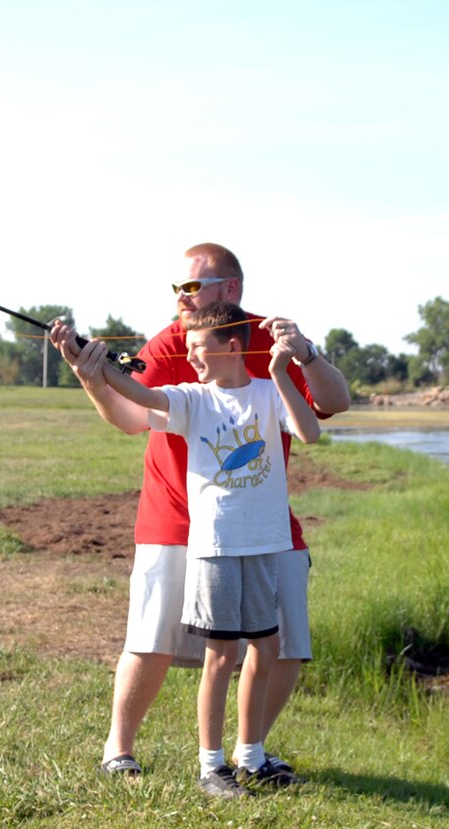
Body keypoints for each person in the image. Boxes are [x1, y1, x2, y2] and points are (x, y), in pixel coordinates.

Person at [47, 243, 350, 787]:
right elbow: (133, 409)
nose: (180, 299)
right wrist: (91, 375)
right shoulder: (174, 344)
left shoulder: (266, 345)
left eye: (191, 287)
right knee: (155, 638)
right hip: (179, 516)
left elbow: (329, 409)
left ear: (229, 289)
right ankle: (121, 749)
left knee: (282, 643)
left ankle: (249, 754)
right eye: (176, 288)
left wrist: (304, 354)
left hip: (264, 524)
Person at [82, 301, 323, 798]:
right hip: (213, 547)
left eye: (198, 348)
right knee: (221, 654)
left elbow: (310, 431)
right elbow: (139, 391)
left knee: (267, 646)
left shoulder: (268, 392)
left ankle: (252, 757)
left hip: (267, 543)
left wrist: (282, 370)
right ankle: (211, 766)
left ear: (232, 347)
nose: (190, 357)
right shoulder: (192, 399)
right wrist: (98, 366)